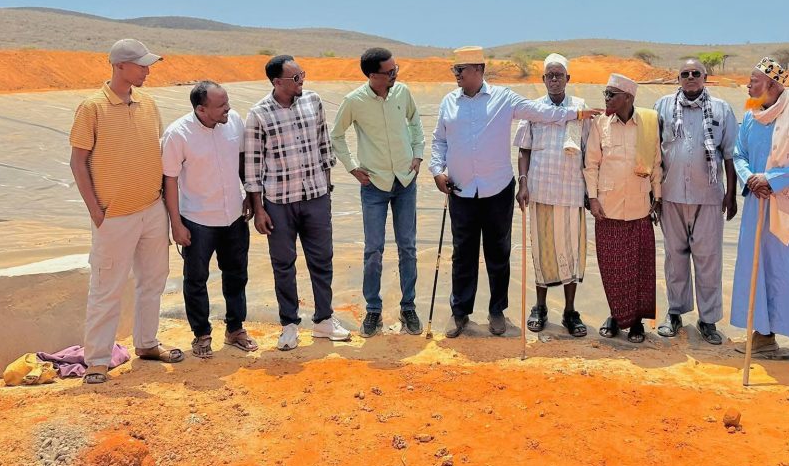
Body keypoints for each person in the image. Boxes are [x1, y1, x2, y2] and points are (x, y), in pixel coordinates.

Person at [429, 46, 599, 339]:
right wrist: (436, 171)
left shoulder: (504, 98)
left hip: (497, 190)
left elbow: (541, 112)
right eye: (454, 69)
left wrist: (577, 112)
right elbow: (438, 141)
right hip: (460, 191)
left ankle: (497, 312)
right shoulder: (448, 102)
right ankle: (460, 313)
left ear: (478, 70)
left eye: (460, 69)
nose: (456, 74)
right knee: (462, 254)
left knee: (498, 254)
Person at [69, 39, 184, 385]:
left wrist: (165, 208)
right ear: (119, 66)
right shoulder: (92, 108)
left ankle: (147, 344)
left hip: (152, 210)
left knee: (153, 280)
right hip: (114, 216)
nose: (147, 71)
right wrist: (96, 211)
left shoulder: (148, 103)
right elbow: (78, 162)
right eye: (141, 65)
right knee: (107, 287)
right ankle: (97, 360)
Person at [245, 55, 350, 349]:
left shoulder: (313, 101)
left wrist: (327, 188)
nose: (302, 80)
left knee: (322, 259)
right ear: (277, 82)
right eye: (295, 78)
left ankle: (324, 320)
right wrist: (259, 209)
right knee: (283, 264)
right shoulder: (259, 114)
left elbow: (324, 146)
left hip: (316, 196)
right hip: (279, 202)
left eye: (302, 74)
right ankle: (289, 324)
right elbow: (253, 166)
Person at [730, 58, 789, 371]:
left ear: (772, 84)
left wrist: (772, 179)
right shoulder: (750, 117)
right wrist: (750, 178)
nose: (748, 85)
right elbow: (738, 155)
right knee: (759, 266)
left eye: (754, 80)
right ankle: (763, 335)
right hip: (758, 203)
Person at [331, 47, 425, 337]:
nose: (395, 74)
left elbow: (415, 122)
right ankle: (373, 310)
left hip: (405, 182)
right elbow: (336, 135)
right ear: (373, 75)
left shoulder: (402, 93)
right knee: (373, 249)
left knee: (408, 247)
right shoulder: (354, 101)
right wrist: (352, 167)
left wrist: (418, 154)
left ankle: (408, 307)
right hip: (374, 185)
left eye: (396, 69)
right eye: (390, 71)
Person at [161, 81, 257, 359]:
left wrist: (249, 195)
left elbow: (242, 160)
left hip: (234, 217)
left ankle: (235, 329)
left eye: (227, 102)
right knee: (196, 279)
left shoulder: (234, 121)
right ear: (201, 109)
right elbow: (169, 180)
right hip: (197, 220)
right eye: (221, 105)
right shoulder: (178, 134)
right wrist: (176, 224)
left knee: (237, 275)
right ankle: (201, 334)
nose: (228, 108)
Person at [654, 58, 738, 345]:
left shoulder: (722, 109)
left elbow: (730, 154)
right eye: (684, 74)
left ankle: (708, 319)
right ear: (678, 78)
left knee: (708, 260)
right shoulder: (663, 106)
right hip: (671, 195)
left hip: (709, 196)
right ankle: (675, 313)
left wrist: (730, 194)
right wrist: (654, 194)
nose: (690, 77)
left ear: (705, 77)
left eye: (695, 73)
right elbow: (654, 152)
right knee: (674, 258)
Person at [514, 53, 590, 337]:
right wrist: (523, 183)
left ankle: (570, 311)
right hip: (540, 190)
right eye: (550, 75)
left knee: (572, 251)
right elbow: (524, 149)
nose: (554, 79)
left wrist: (590, 191)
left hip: (571, 191)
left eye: (559, 75)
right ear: (543, 79)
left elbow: (589, 150)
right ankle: (540, 307)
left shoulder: (580, 107)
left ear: (568, 78)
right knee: (541, 249)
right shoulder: (532, 109)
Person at [584, 74, 662, 344]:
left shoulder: (648, 122)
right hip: (608, 207)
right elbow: (591, 164)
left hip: (640, 207)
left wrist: (658, 197)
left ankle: (636, 322)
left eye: (611, 94)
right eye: (605, 94)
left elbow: (656, 162)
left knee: (639, 267)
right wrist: (592, 199)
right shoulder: (600, 124)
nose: (606, 99)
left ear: (628, 97)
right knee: (612, 268)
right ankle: (616, 316)